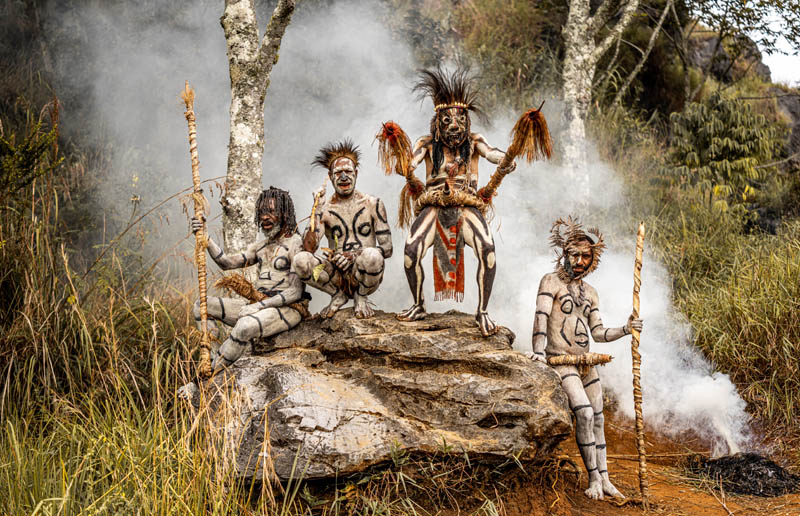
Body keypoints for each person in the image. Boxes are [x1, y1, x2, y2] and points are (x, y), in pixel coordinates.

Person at [529, 216, 643, 500]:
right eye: (575, 255)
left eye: (586, 256)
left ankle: (605, 479)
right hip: (561, 361)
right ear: (564, 253)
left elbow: (599, 333)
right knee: (584, 413)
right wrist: (538, 352)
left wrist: (626, 329)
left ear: (593, 260)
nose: (580, 261)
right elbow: (541, 317)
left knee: (599, 419)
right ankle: (593, 479)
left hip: (586, 364)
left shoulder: (591, 293)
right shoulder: (551, 281)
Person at [397, 67, 515, 336]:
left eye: (460, 120)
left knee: (488, 250)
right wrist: (405, 165)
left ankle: (482, 311)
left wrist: (507, 159)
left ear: (467, 122)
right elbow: (411, 161)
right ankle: (418, 305)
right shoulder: (427, 144)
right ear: (437, 123)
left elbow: (493, 153)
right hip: (434, 205)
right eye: (447, 120)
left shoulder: (474, 142)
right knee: (411, 252)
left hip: (466, 205)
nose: (454, 126)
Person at [192, 186, 306, 371]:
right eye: (261, 212)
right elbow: (226, 263)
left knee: (244, 326)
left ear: (285, 213)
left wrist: (259, 306)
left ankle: (209, 375)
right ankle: (212, 359)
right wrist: (206, 238)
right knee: (201, 306)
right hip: (258, 305)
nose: (264, 217)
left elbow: (295, 291)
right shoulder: (260, 247)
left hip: (287, 309)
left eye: (271, 211)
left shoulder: (296, 243)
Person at [293, 140, 392, 318]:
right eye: (338, 173)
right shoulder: (325, 209)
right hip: (335, 275)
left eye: (348, 172)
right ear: (330, 177)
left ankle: (361, 296)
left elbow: (387, 249)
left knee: (372, 256)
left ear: (356, 173)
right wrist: (316, 209)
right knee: (300, 260)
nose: (344, 177)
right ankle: (337, 295)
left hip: (364, 273)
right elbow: (308, 249)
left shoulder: (372, 204)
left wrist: (354, 255)